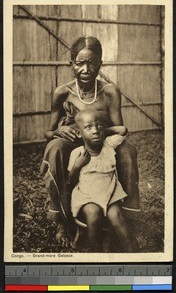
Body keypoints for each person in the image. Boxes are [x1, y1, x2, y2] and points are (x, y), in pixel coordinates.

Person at [40, 36, 140, 246]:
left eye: (92, 62)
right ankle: (61, 219)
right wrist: (62, 129)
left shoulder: (110, 91)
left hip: (101, 142)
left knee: (127, 150)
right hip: (72, 144)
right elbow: (48, 133)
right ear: (72, 64)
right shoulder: (62, 92)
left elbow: (119, 135)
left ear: (100, 64)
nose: (86, 69)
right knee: (55, 147)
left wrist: (98, 130)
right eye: (80, 63)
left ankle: (125, 215)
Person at [67, 109, 136, 252]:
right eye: (88, 127)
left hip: (109, 193)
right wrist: (77, 166)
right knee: (93, 214)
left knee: (116, 215)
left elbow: (123, 130)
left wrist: (106, 130)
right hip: (87, 196)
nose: (95, 131)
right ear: (79, 133)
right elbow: (70, 181)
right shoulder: (78, 154)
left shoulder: (108, 145)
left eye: (99, 126)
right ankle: (97, 253)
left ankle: (133, 253)